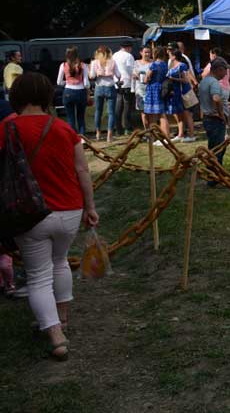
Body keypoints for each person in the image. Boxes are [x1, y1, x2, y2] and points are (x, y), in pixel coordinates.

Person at [0, 72, 99, 361]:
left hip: (28, 212)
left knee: (38, 275)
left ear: (16, 96)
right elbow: (82, 170)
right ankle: (62, 318)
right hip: (69, 209)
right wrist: (90, 207)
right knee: (60, 262)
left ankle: (55, 336)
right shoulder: (64, 128)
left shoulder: (6, 128)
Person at [198, 58, 230, 186]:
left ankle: (214, 175)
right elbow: (216, 98)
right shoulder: (214, 83)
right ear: (219, 69)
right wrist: (222, 115)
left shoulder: (204, 81)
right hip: (215, 120)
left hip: (208, 118)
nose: (226, 73)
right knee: (218, 150)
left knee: (213, 148)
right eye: (225, 70)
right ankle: (215, 178)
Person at [88, 45, 120, 142]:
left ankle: (98, 133)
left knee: (98, 111)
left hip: (99, 87)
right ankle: (109, 135)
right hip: (110, 87)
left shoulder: (95, 62)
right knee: (111, 112)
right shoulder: (112, 62)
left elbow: (92, 76)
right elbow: (118, 75)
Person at [56, 47, 89, 135]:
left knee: (70, 117)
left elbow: (59, 82)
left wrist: (66, 81)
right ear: (77, 54)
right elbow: (86, 83)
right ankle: (82, 138)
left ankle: (72, 137)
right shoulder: (83, 65)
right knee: (81, 117)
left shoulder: (63, 65)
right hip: (81, 91)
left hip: (68, 92)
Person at [165, 48, 193, 142]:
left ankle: (191, 134)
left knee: (186, 113)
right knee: (178, 113)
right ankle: (180, 134)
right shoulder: (172, 65)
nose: (169, 56)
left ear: (174, 56)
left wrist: (173, 79)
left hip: (182, 93)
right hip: (175, 93)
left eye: (170, 54)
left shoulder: (182, 65)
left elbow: (185, 80)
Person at [144, 48, 171, 140]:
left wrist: (145, 78)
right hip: (162, 88)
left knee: (155, 114)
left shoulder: (154, 65)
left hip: (153, 89)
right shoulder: (165, 64)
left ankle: (160, 136)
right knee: (161, 113)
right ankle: (160, 136)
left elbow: (146, 78)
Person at [112, 41, 135, 136]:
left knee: (118, 106)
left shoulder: (114, 55)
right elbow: (131, 70)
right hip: (127, 83)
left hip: (117, 83)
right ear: (128, 47)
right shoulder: (129, 56)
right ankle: (127, 127)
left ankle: (118, 129)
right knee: (127, 107)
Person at [133, 46, 153, 130]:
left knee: (151, 111)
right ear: (141, 53)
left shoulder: (153, 63)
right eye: (145, 52)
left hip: (150, 88)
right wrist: (136, 76)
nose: (147, 54)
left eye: (149, 52)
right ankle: (146, 130)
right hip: (140, 90)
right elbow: (133, 74)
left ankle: (152, 130)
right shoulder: (136, 63)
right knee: (143, 111)